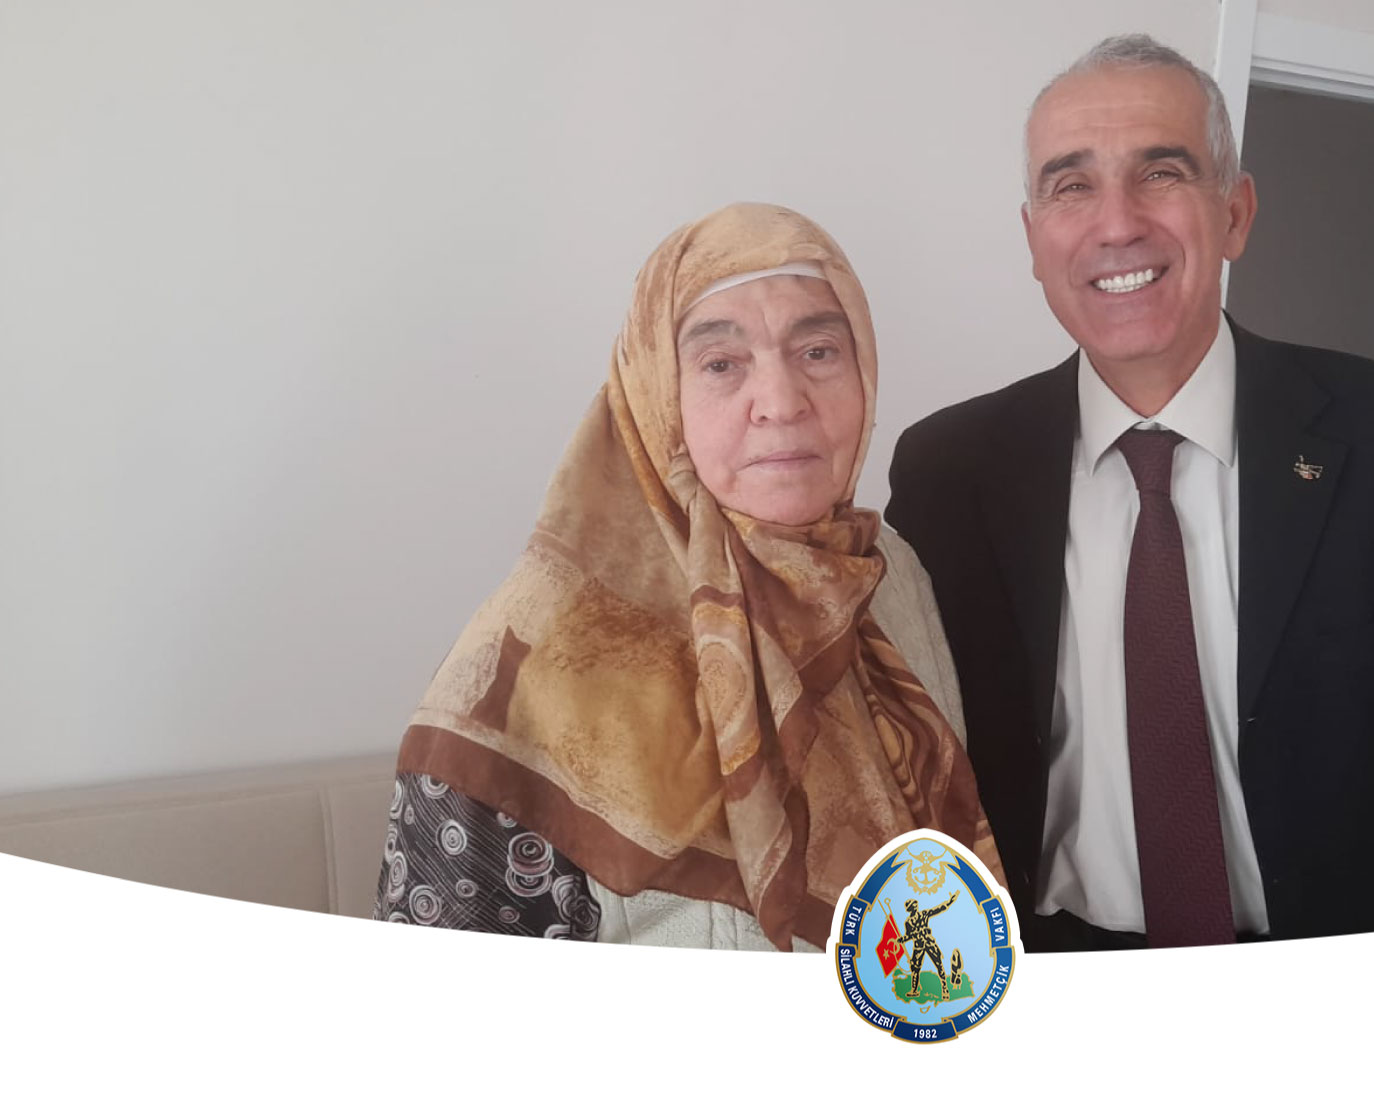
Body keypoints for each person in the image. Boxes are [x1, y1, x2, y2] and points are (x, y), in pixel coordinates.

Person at [885, 35, 1374, 951]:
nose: (1116, 224)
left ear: (1234, 214)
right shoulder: (948, 471)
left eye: (1161, 172)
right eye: (1071, 186)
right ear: (1034, 238)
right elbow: (910, 755)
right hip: (1049, 959)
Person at [374, 202, 1003, 951]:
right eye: (721, 364)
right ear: (656, 396)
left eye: (818, 351)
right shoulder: (537, 652)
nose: (781, 403)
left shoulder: (894, 579)